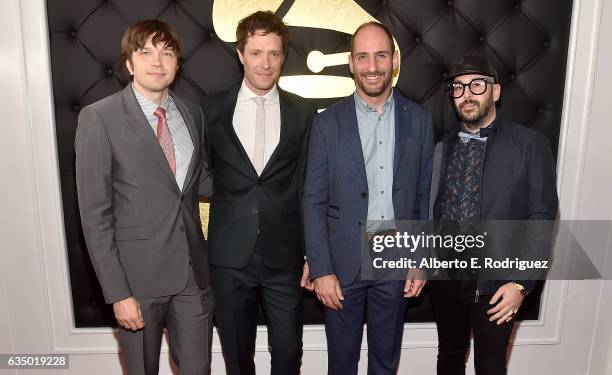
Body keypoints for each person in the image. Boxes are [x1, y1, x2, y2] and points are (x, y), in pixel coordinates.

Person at [75, 20, 213, 375]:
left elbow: (195, 188)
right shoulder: (99, 118)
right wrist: (118, 293)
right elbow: (95, 216)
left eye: (167, 52)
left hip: (191, 278)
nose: (157, 61)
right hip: (136, 282)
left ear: (177, 63)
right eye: (146, 52)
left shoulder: (192, 113)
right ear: (129, 63)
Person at [303, 22, 434, 375]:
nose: (372, 66)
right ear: (350, 62)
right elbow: (312, 200)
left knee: (385, 362)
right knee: (341, 363)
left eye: (380, 56)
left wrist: (421, 258)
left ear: (394, 60)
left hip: (395, 255)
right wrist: (321, 268)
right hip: (343, 258)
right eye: (363, 57)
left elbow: (424, 195)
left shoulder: (419, 120)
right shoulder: (327, 123)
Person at [201, 11, 316, 375]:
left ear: (284, 56)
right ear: (240, 53)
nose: (265, 64)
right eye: (256, 53)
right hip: (228, 255)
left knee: (287, 353)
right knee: (237, 356)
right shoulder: (210, 109)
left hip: (284, 256)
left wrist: (314, 252)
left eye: (274, 54)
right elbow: (199, 173)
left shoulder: (303, 112)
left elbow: (308, 186)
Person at [428, 55, 558, 374]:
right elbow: (432, 209)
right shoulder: (442, 147)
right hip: (446, 279)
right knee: (449, 359)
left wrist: (521, 283)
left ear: (495, 92)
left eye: (476, 85)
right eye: (458, 88)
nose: (467, 94)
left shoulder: (530, 145)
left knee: (490, 367)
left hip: (497, 283)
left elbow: (542, 216)